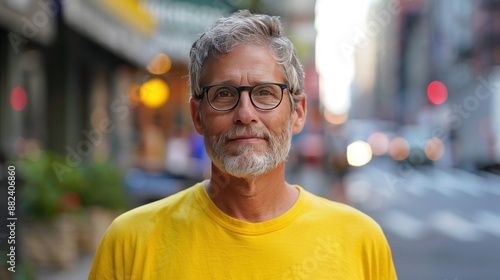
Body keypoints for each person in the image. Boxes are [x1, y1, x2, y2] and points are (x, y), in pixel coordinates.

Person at [89, 10, 397, 279]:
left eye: (264, 92)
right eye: (223, 94)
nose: (245, 114)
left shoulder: (360, 241)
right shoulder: (130, 241)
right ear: (197, 115)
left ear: (298, 113)